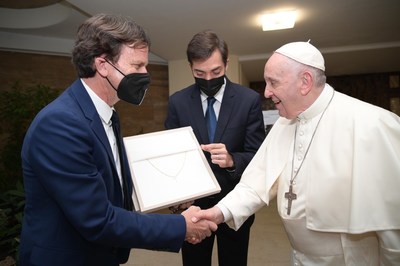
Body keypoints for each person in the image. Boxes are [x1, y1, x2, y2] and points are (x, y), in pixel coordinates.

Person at [18, 13, 217, 266]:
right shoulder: (59, 124)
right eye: (136, 67)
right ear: (102, 65)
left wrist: (175, 191)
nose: (145, 74)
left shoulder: (107, 115)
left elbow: (114, 184)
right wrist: (180, 226)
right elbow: (97, 219)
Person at [193, 41, 400, 265]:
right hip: (300, 258)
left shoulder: (374, 124)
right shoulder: (285, 124)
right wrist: (219, 212)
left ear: (305, 82)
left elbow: (393, 230)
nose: (266, 92)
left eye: (273, 82)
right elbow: (254, 184)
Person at [165, 30, 266, 266]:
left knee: (234, 260)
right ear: (190, 67)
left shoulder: (248, 100)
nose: (208, 78)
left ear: (227, 64)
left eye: (216, 72)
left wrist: (232, 160)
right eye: (200, 73)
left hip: (234, 202)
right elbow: (171, 156)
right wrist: (178, 200)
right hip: (193, 208)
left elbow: (259, 156)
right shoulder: (178, 102)